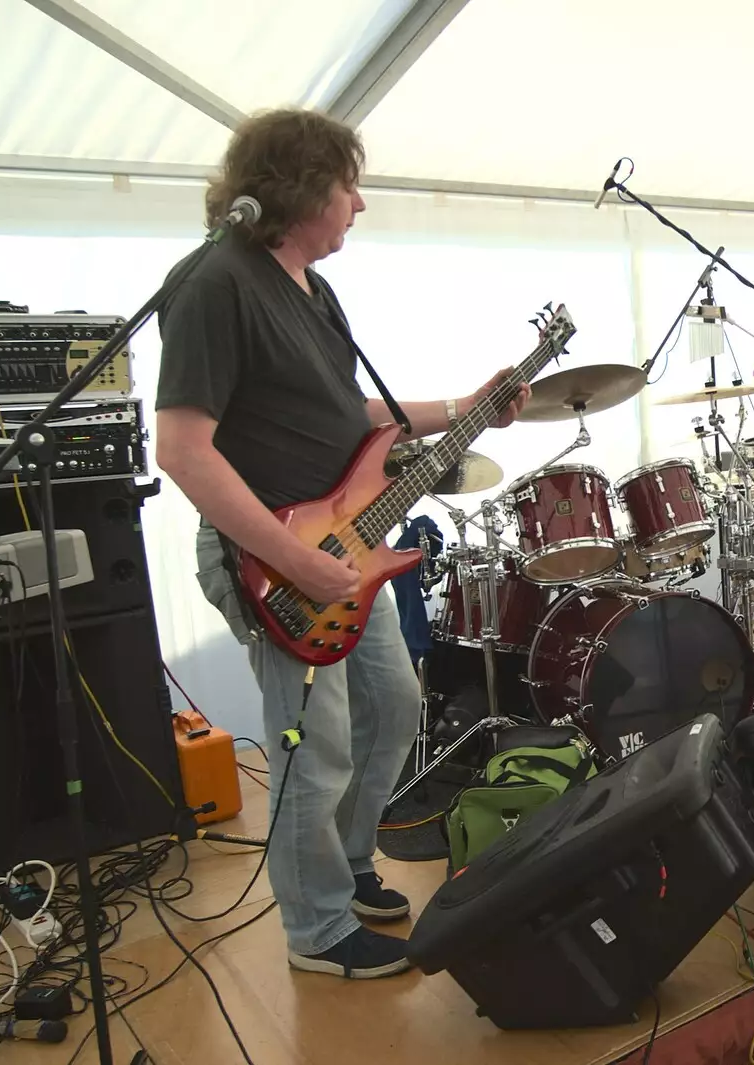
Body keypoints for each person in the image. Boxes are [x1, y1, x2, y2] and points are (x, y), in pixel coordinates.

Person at [155, 109, 530, 980]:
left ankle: (350, 862)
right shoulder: (216, 282)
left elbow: (347, 416)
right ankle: (317, 929)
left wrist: (463, 402)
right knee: (312, 747)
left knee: (397, 703)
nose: (359, 204)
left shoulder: (313, 292)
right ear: (297, 190)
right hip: (275, 566)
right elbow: (181, 448)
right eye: (347, 187)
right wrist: (292, 559)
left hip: (345, 551)